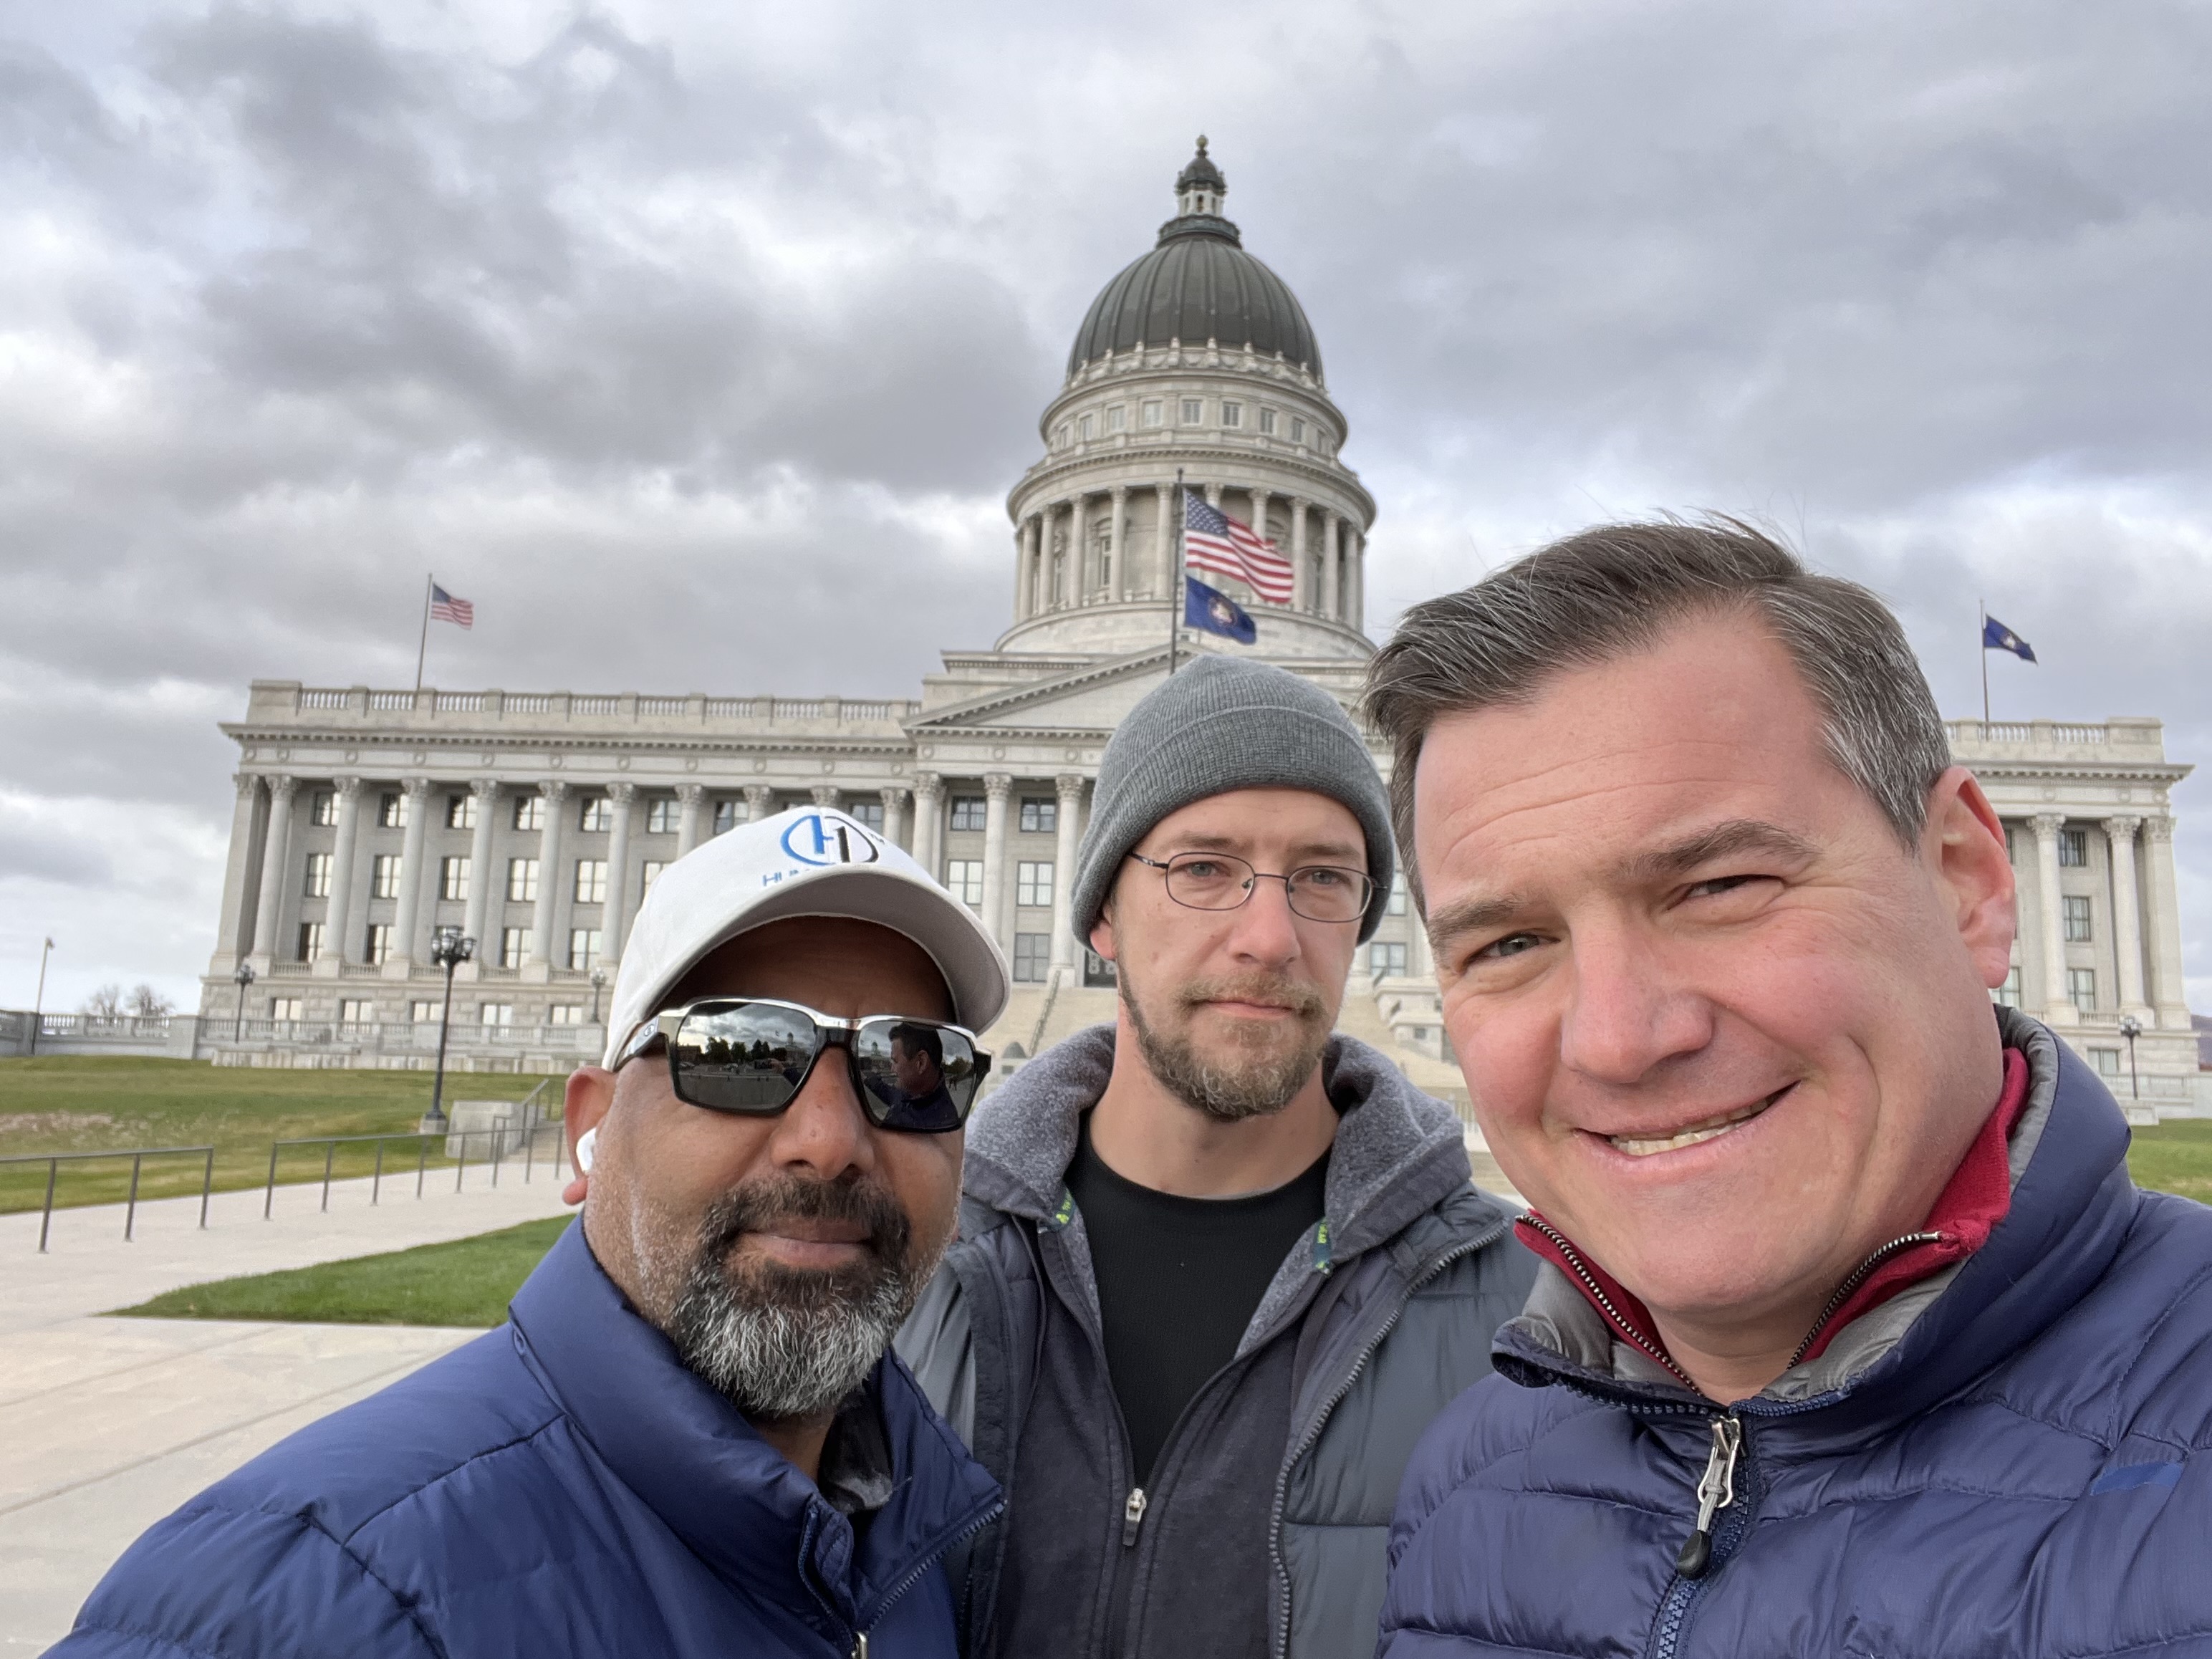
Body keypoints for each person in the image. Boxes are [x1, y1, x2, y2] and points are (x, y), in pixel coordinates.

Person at [1365, 521, 2212, 1657]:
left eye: (1719, 884)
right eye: (1511, 942)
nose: (1617, 1040)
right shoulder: (1466, 1483)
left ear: (1967, 882)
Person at [55, 806, 1011, 1658]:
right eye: (742, 1054)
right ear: (591, 1128)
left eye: (912, 1067)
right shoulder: (306, 1597)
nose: (831, 1142)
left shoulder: (918, 1551)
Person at [897, 655, 1536, 1659]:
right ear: (1102, 915)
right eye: (1203, 869)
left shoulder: (1531, 1322)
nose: (1269, 937)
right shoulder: (897, 1264)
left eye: (1323, 877)